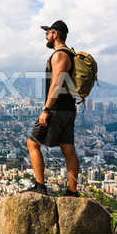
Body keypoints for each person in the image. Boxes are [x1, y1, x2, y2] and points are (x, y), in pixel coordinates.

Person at [26, 20, 79, 197]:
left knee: (32, 144)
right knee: (69, 151)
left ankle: (40, 186)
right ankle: (72, 192)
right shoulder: (69, 54)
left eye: (48, 33)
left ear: (55, 34)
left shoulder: (60, 55)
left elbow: (56, 84)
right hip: (69, 109)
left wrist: (46, 109)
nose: (46, 36)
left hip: (56, 109)